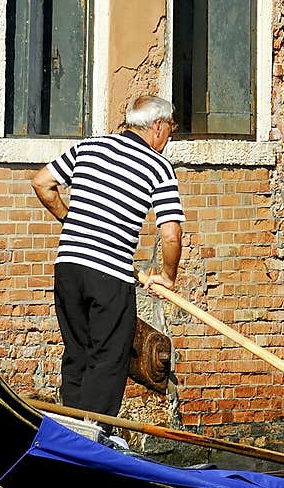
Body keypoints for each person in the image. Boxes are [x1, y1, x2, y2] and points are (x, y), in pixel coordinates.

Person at [30, 94, 184, 420]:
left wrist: (70, 220)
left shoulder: (91, 146)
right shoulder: (158, 167)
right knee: (109, 359)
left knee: (77, 354)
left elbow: (42, 182)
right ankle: (91, 442)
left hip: (68, 266)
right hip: (109, 274)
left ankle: (69, 431)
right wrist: (168, 278)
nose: (170, 135)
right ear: (157, 126)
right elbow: (170, 233)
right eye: (171, 128)